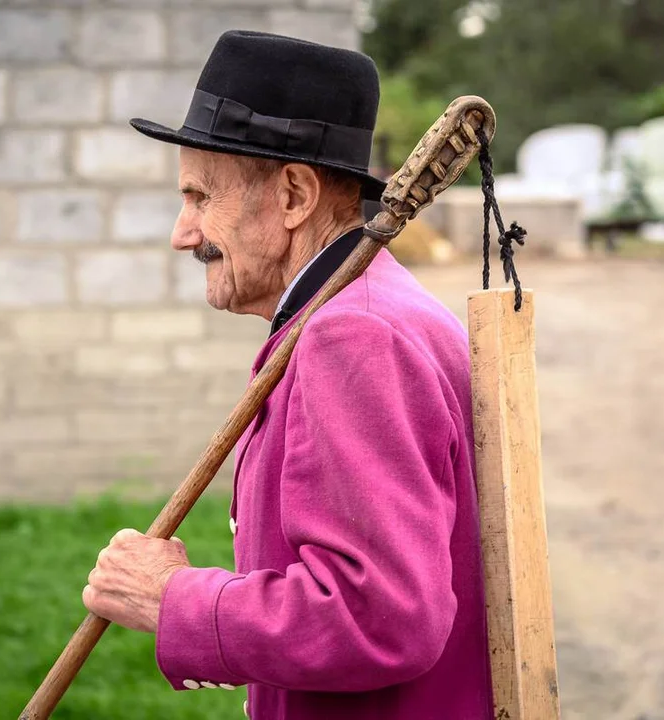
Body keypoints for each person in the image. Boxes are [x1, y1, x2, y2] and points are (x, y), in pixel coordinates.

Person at [81, 30, 494, 720]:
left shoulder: (354, 334)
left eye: (199, 196)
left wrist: (173, 600)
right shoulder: (362, 310)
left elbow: (376, 617)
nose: (183, 233)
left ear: (295, 194)